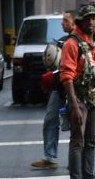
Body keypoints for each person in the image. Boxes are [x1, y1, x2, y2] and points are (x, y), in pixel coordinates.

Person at [61, 5, 95, 179]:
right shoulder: (72, 43)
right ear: (81, 21)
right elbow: (66, 76)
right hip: (79, 100)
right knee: (78, 142)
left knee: (91, 141)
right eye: (88, 18)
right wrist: (73, 106)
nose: (92, 21)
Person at [32, 10, 75, 170]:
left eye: (65, 20)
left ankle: (75, 162)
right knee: (50, 120)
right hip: (59, 88)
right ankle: (50, 158)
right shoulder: (64, 40)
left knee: (76, 126)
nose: (62, 23)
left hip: (74, 88)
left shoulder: (79, 41)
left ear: (74, 23)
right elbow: (57, 66)